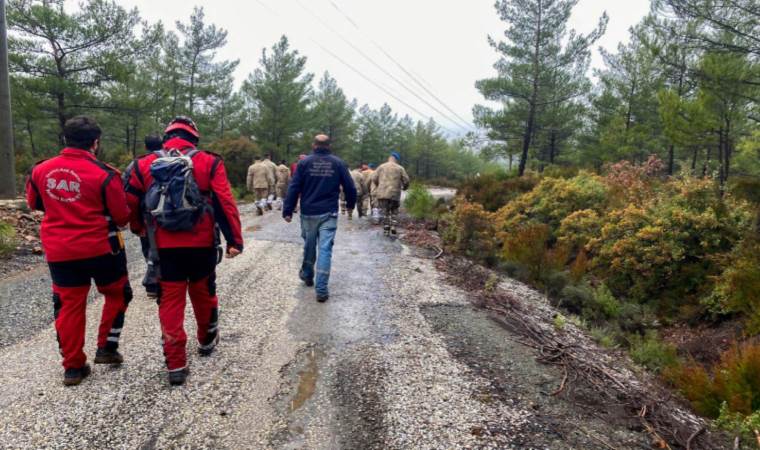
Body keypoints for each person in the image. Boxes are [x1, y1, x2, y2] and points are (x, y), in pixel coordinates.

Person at [125, 116, 243, 386]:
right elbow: (225, 202)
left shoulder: (143, 164)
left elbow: (130, 201)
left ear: (167, 137)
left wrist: (137, 227)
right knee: (204, 294)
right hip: (201, 244)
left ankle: (176, 363)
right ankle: (206, 339)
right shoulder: (210, 161)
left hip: (163, 248)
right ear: (195, 138)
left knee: (170, 301)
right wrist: (234, 240)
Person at [26, 116, 132, 386]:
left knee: (69, 304)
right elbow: (121, 218)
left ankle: (73, 367)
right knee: (118, 293)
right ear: (95, 143)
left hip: (60, 250)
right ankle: (106, 348)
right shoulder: (106, 174)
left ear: (65, 139)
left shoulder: (39, 171)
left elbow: (33, 204)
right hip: (101, 248)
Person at [283, 134, 356, 303]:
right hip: (329, 213)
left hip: (308, 212)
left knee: (309, 245)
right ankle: (321, 290)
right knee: (325, 249)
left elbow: (294, 187)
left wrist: (288, 210)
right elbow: (350, 187)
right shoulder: (338, 163)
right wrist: (351, 204)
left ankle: (308, 274)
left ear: (313, 145)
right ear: (329, 146)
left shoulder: (304, 163)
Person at [123, 134, 164, 298]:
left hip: (145, 215)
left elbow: (128, 194)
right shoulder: (171, 159)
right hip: (167, 213)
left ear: (145, 146)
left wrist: (135, 224)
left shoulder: (136, 165)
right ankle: (161, 280)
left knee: (149, 249)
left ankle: (153, 283)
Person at [372, 151, 410, 236]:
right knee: (394, 210)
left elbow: (374, 178)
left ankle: (386, 228)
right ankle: (393, 225)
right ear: (396, 159)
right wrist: (405, 187)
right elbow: (406, 180)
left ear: (389, 158)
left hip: (382, 193)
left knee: (385, 211)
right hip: (394, 193)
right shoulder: (400, 168)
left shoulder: (381, 167)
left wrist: (379, 185)